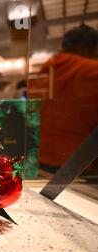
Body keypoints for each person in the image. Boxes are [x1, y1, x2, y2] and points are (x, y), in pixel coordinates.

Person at [28, 23, 98, 175]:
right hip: (78, 166)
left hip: (38, 161)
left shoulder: (46, 70)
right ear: (87, 47)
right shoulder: (92, 71)